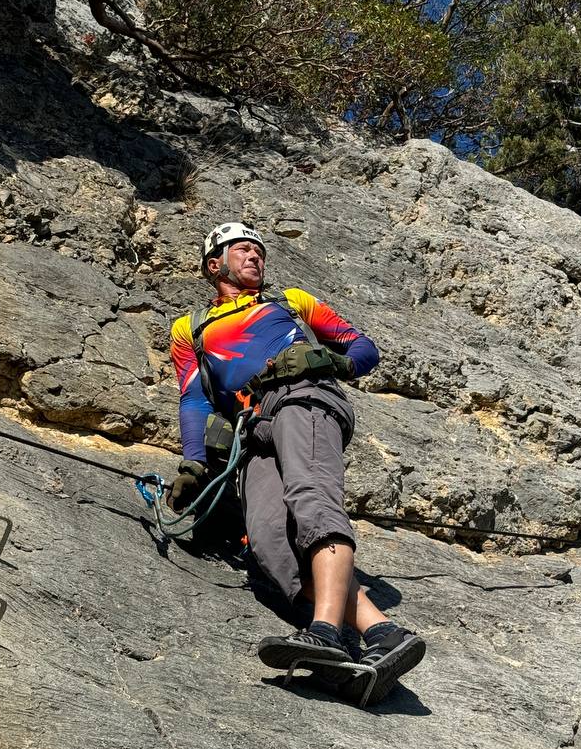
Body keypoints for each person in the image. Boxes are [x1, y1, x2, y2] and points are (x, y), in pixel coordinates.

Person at [169, 221, 425, 705]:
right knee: (268, 541)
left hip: (304, 395)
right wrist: (193, 463)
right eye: (242, 249)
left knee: (311, 497)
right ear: (214, 264)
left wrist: (330, 363)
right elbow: (194, 399)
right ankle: (383, 633)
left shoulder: (291, 302)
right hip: (252, 430)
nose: (255, 256)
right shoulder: (190, 330)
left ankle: (325, 631)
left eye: (259, 251)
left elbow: (362, 347)